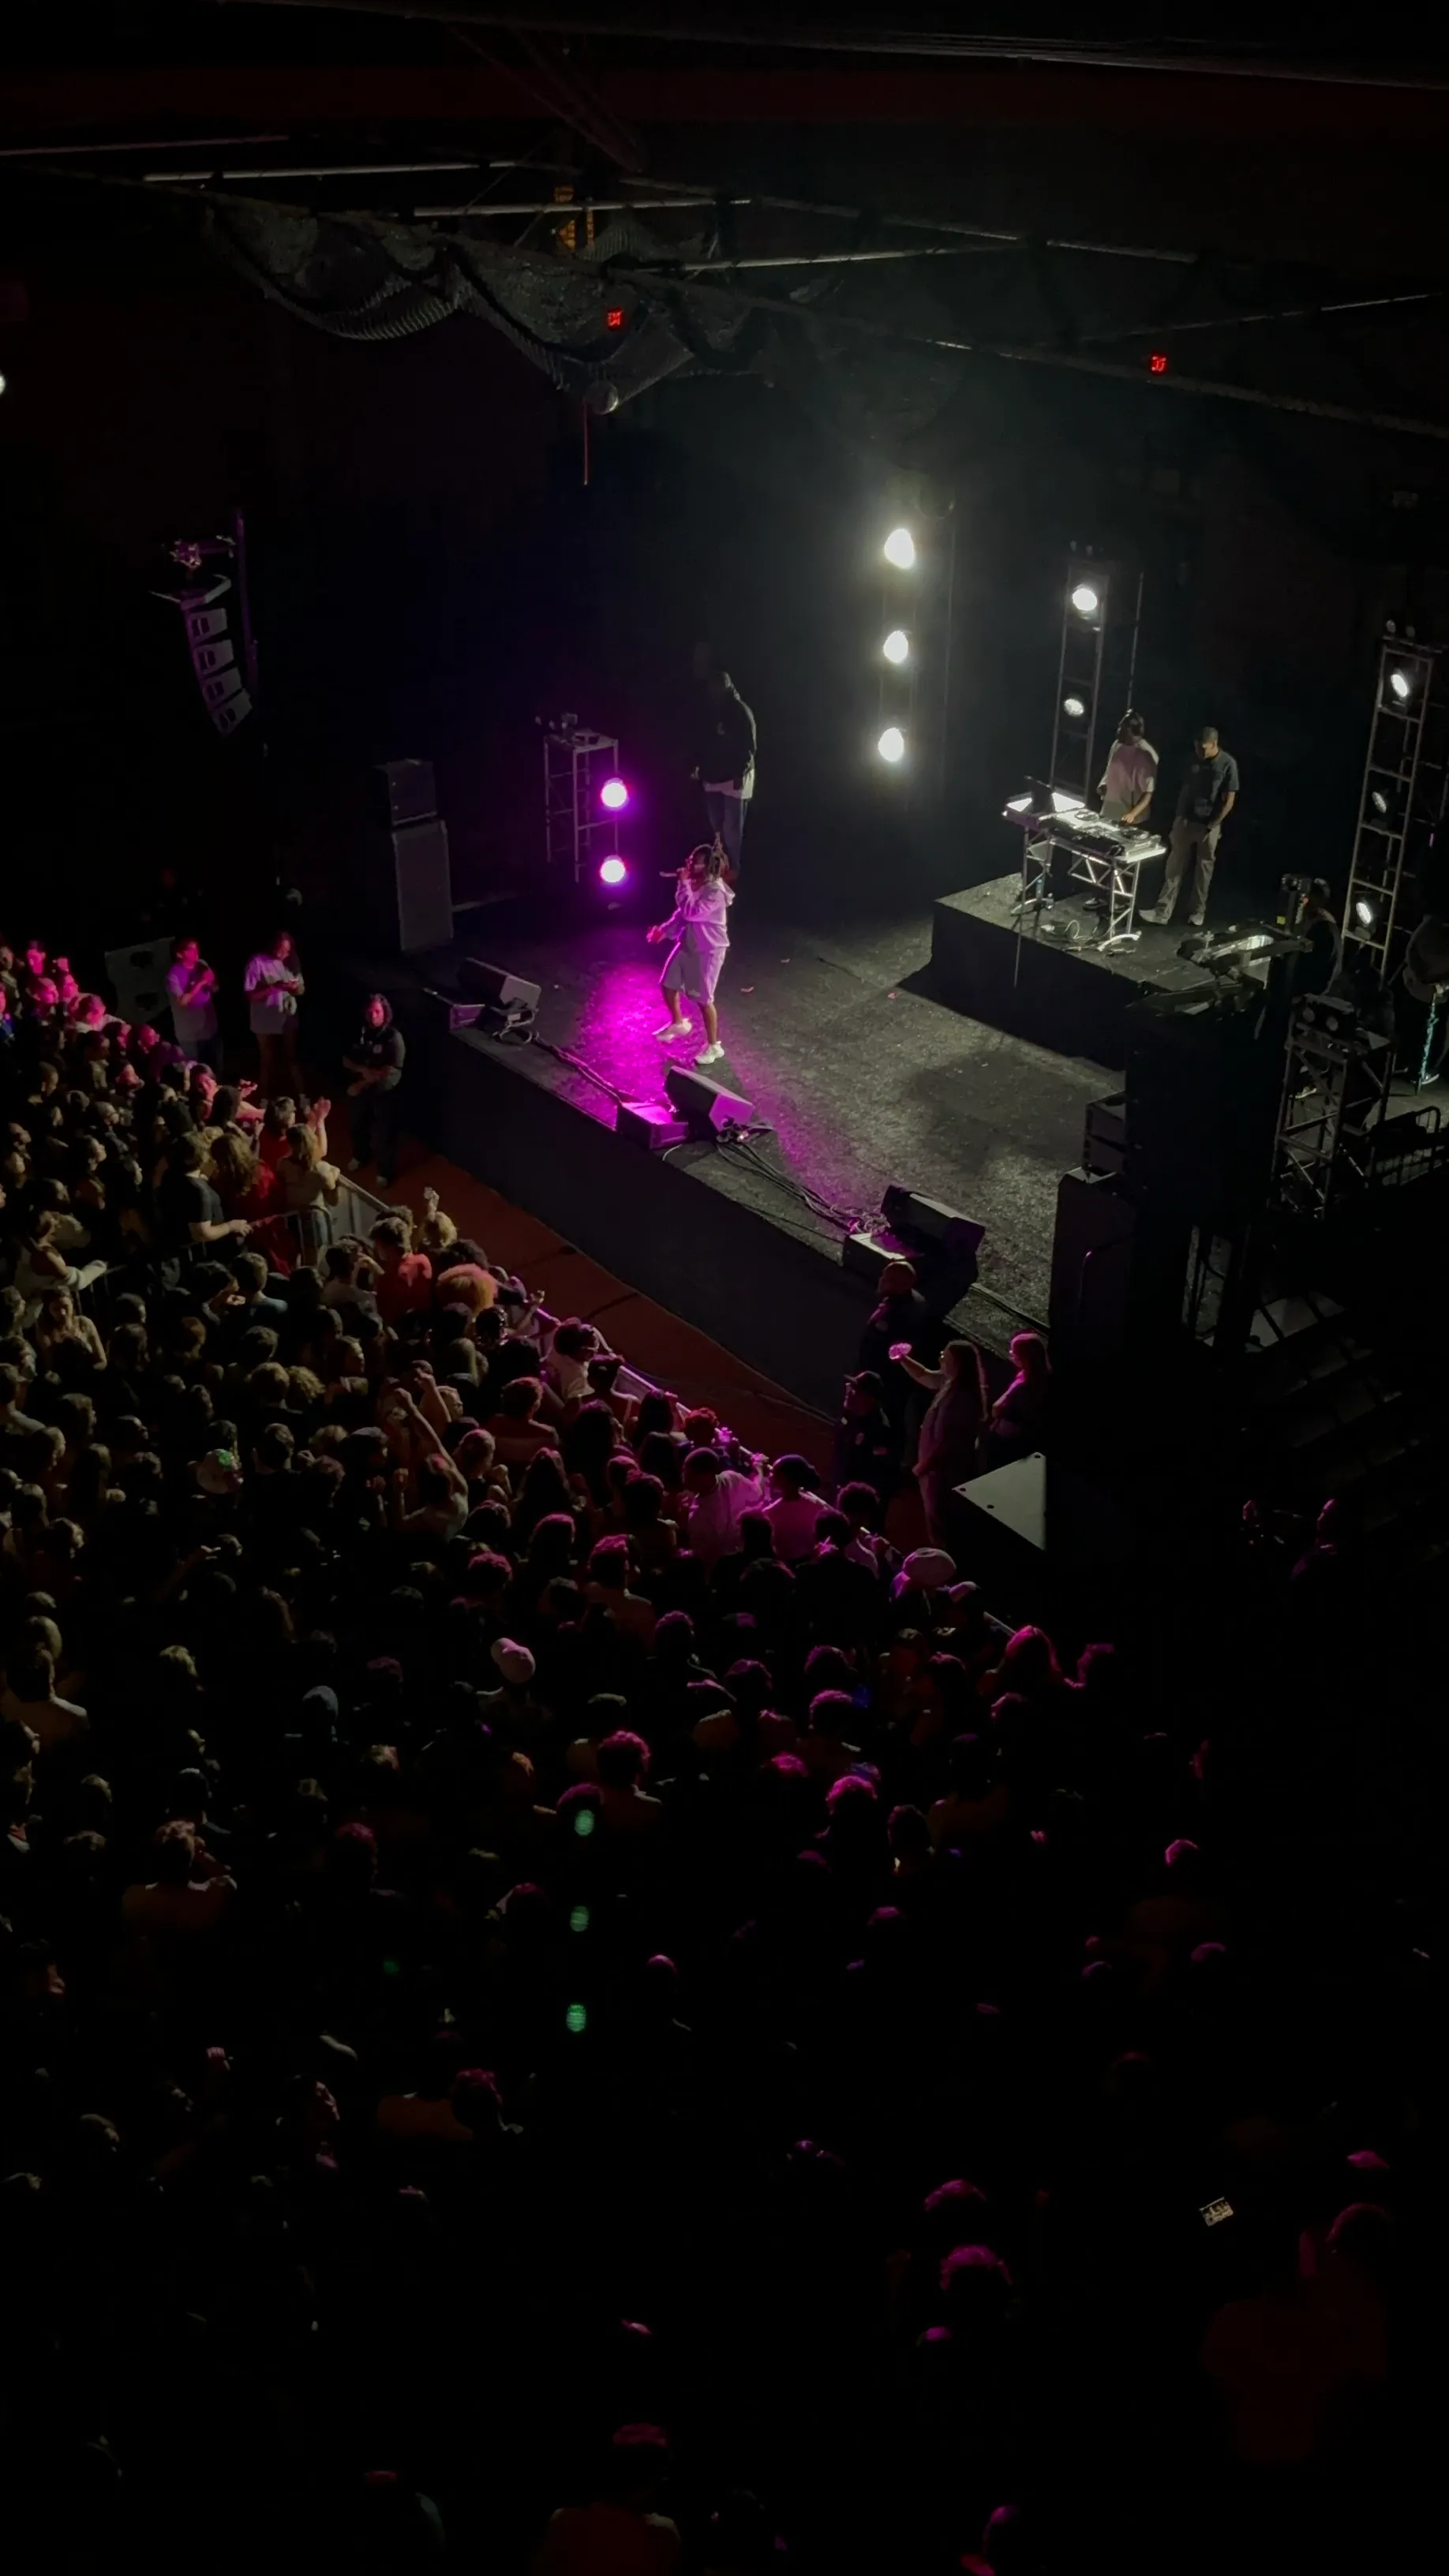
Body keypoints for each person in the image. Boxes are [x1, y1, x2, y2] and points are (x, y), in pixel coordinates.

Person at [892, 1337, 989, 1545]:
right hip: (934, 1471)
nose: (941, 1358)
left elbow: (948, 1442)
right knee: (935, 1523)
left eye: (946, 1356)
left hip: (942, 1473)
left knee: (942, 1527)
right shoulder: (949, 1382)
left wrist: (923, 1467)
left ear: (958, 1363)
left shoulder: (963, 1398)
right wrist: (903, 1359)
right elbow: (924, 1375)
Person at [1144, 724, 1240, 929]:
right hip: (1186, 822)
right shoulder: (1192, 760)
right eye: (1197, 747)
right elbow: (1185, 789)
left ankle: (1198, 912)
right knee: (1174, 866)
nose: (1199, 752)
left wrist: (1213, 825)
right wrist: (1179, 817)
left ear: (1214, 744)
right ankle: (1162, 912)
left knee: (1203, 870)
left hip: (1209, 826)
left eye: (1203, 748)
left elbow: (1229, 800)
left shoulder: (1227, 764)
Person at [648, 843, 733, 1067]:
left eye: (695, 861)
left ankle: (714, 1046)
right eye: (690, 859)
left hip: (709, 951)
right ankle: (678, 1023)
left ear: (707, 866)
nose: (689, 863)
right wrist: (663, 931)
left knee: (704, 1000)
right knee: (668, 984)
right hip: (688, 945)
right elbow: (681, 916)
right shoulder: (697, 885)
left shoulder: (715, 892)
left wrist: (683, 883)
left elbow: (691, 912)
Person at [691, 664, 756, 887]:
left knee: (732, 829)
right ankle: (720, 864)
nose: (715, 691)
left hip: (734, 777)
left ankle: (734, 868)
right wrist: (697, 765)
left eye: (719, 687)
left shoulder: (740, 711)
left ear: (727, 687)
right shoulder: (708, 710)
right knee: (716, 825)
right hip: (713, 775)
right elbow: (700, 740)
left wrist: (740, 772)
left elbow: (749, 746)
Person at [344, 993, 406, 1189]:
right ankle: (360, 1156)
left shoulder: (393, 1038)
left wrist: (363, 1082)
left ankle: (384, 1172)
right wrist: (362, 1070)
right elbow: (346, 1059)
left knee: (383, 1133)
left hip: (385, 1091)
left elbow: (391, 1069)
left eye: (377, 1012)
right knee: (357, 1124)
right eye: (370, 1012)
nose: (373, 1016)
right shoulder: (360, 1032)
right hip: (364, 1087)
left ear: (385, 1013)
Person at [244, 930, 305, 1095]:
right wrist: (275, 987)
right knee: (267, 1059)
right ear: (273, 946)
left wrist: (294, 988)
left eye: (286, 951)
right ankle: (264, 1095)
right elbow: (250, 995)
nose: (282, 954)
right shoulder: (257, 962)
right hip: (264, 1018)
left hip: (287, 1016)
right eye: (280, 949)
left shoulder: (292, 962)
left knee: (291, 1057)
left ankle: (300, 1094)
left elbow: (301, 989)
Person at [166, 937, 221, 1070]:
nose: (196, 952)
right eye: (191, 950)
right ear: (179, 954)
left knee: (216, 1067)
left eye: (196, 948)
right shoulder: (173, 976)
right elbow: (182, 1002)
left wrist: (211, 981)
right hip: (191, 1034)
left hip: (209, 1027)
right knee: (198, 1070)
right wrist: (200, 982)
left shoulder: (201, 964)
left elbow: (215, 989)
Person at [1096, 708, 1158, 826]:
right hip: (1110, 810)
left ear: (1132, 730)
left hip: (1132, 818)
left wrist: (1133, 814)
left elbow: (1148, 792)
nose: (1119, 730)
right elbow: (1109, 770)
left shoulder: (1146, 754)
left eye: (1123, 728)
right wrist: (1104, 785)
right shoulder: (1116, 745)